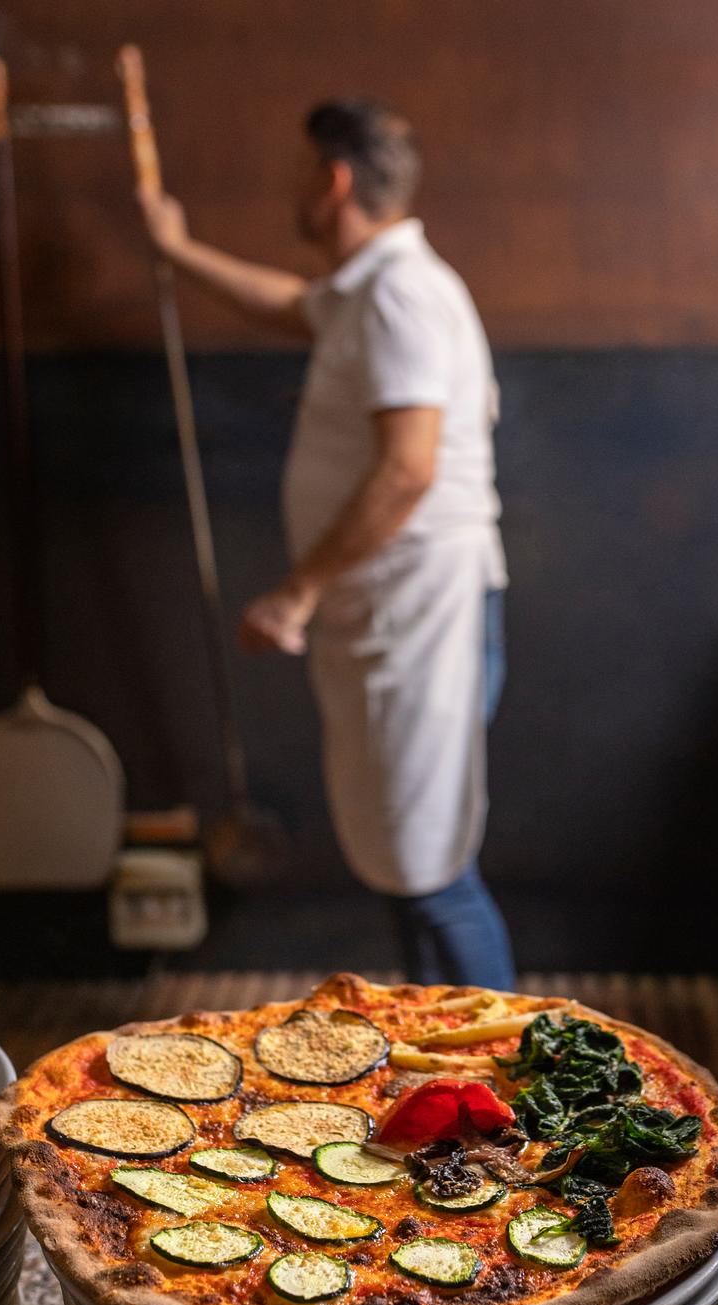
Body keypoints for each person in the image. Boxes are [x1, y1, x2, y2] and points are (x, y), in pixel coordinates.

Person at [137, 97, 515, 989]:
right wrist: (177, 250)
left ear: (334, 180)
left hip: (420, 609)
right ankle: (441, 1051)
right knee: (404, 863)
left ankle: (505, 1073)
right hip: (392, 612)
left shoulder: (401, 297)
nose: (293, 191)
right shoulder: (366, 292)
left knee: (431, 873)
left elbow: (408, 470)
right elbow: (290, 305)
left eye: (302, 173)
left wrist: (295, 592)